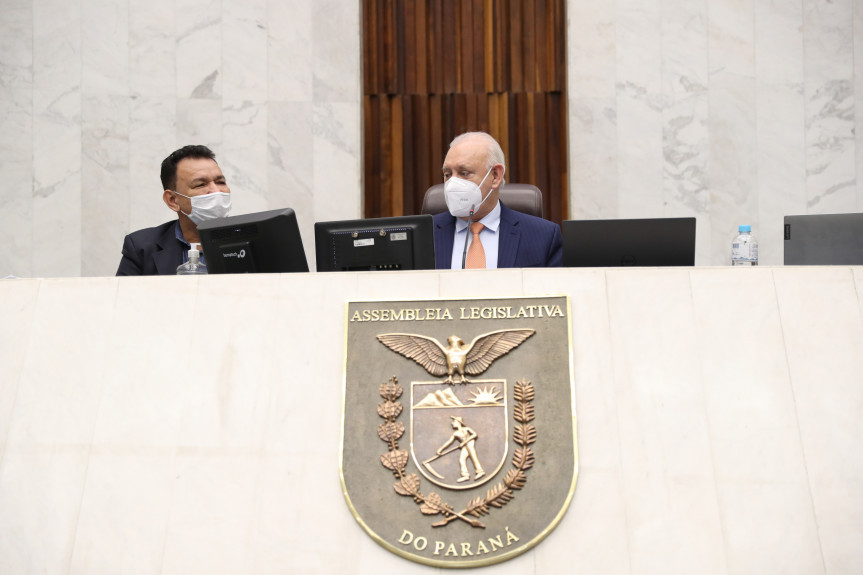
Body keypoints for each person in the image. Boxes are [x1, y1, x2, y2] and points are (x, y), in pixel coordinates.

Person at [434, 132, 562, 269]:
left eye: (464, 173)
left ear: (495, 176)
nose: (453, 183)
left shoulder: (543, 236)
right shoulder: (423, 236)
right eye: (447, 174)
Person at [116, 145, 232, 276]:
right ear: (172, 200)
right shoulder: (141, 247)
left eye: (221, 182)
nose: (216, 191)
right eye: (201, 184)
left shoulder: (254, 242)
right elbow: (123, 295)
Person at [436, 416, 485, 483]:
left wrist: (464, 442)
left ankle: (480, 471)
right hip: (465, 445)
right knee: (462, 459)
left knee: (473, 456)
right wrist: (440, 449)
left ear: (458, 422)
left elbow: (474, 434)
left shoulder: (466, 429)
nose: (452, 423)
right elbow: (449, 442)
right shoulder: (455, 433)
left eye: (454, 422)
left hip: (470, 443)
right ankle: (465, 475)